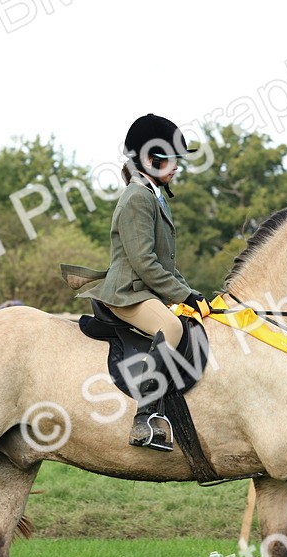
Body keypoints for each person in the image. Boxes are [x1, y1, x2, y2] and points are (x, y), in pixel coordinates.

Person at [76, 113, 209, 451]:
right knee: (172, 327)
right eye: (173, 159)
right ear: (151, 159)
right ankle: (145, 418)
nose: (178, 166)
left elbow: (166, 263)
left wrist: (192, 293)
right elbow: (145, 263)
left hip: (144, 288)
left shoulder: (153, 195)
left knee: (194, 317)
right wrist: (181, 295)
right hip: (128, 293)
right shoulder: (138, 197)